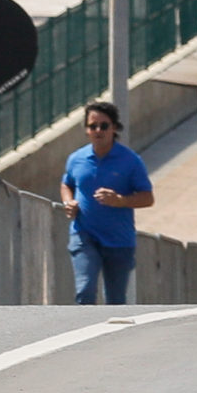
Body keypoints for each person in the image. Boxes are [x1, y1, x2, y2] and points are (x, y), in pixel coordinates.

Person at [61, 100, 152, 304]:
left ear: (114, 128)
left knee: (115, 301)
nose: (98, 131)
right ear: (86, 130)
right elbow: (66, 183)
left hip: (119, 240)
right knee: (85, 289)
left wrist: (120, 200)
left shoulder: (130, 161)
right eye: (93, 126)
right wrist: (69, 202)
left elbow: (148, 197)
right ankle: (85, 330)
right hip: (84, 234)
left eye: (104, 126)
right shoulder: (76, 159)